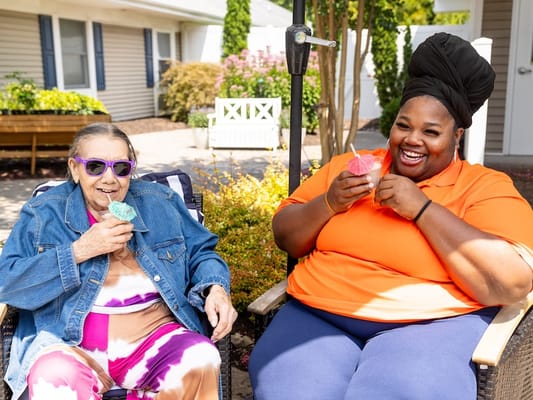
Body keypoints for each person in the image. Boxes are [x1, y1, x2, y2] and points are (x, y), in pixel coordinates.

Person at [248, 32, 533, 399]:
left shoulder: (482, 187)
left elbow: (512, 282)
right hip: (317, 314)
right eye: (403, 125)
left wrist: (423, 209)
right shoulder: (349, 168)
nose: (412, 139)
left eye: (431, 131)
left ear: (456, 136)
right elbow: (285, 236)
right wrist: (330, 202)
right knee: (288, 390)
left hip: (431, 326)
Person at [0, 122, 238, 400]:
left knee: (200, 359)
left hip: (154, 340)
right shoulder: (43, 214)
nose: (110, 179)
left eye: (121, 168)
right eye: (95, 167)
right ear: (75, 169)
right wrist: (79, 250)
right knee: (53, 377)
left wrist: (216, 289)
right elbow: (8, 282)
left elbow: (202, 253)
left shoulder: (160, 202)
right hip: (68, 344)